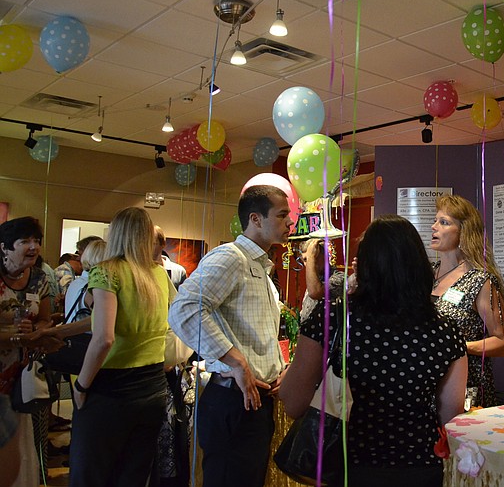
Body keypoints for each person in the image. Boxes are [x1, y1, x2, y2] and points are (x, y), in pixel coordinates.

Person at [280, 215, 468, 487]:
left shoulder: (334, 317)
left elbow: (293, 402)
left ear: (365, 264)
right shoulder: (445, 331)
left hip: (346, 464)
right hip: (420, 466)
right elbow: (451, 414)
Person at [168, 185, 292, 487]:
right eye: (282, 215)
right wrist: (236, 362)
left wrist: (279, 367)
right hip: (231, 402)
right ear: (256, 219)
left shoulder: (260, 267)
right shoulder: (231, 257)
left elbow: (254, 331)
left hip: (254, 403)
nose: (290, 222)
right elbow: (183, 310)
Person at [69, 207, 173, 487]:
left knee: (89, 474)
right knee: (133, 475)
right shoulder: (159, 275)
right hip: (152, 388)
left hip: (110, 389)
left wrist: (81, 386)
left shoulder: (107, 272)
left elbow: (103, 337)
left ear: (115, 233)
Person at [430, 194, 504, 409]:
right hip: (428, 384)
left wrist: (460, 347)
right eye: (435, 220)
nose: (434, 227)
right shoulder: (426, 274)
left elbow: (503, 342)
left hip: (467, 389)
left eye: (444, 222)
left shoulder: (480, 280)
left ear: (463, 232)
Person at [0, 217, 63, 487]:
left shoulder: (39, 276)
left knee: (23, 435)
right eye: (24, 241)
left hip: (23, 371)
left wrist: (37, 327)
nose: (33, 246)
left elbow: (46, 319)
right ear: (4, 247)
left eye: (36, 240)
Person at [299, 238, 347, 322]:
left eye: (314, 257)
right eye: (305, 260)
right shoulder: (315, 280)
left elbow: (315, 293)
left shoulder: (339, 278)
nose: (309, 263)